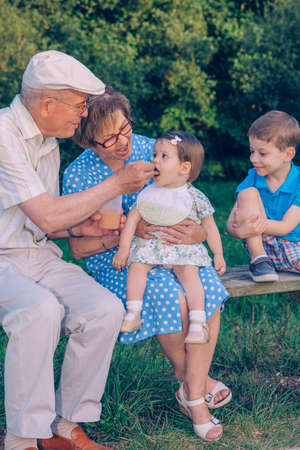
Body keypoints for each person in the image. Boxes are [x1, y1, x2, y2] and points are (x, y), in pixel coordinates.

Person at [0, 50, 154, 450]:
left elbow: (44, 222)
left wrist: (77, 227)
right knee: (39, 310)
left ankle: (65, 426)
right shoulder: (3, 134)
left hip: (37, 254)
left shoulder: (48, 141)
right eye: (79, 105)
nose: (84, 115)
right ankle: (21, 438)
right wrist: (119, 184)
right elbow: (47, 216)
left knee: (104, 309)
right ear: (47, 104)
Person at [63, 88, 231, 442]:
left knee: (208, 291)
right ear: (87, 140)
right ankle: (195, 395)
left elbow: (188, 194)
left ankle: (191, 388)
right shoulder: (79, 175)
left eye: (124, 128)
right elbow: (78, 249)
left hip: (174, 251)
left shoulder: (151, 149)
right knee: (172, 298)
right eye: (108, 138)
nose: (122, 141)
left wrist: (198, 231)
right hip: (118, 259)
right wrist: (122, 234)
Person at [113, 131, 226, 346]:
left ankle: (197, 322)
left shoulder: (194, 196)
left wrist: (218, 254)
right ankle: (133, 312)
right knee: (137, 266)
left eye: (164, 156)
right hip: (151, 247)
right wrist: (124, 248)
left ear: (184, 168)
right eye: (155, 154)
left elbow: (210, 227)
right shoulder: (148, 193)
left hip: (181, 249)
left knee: (189, 275)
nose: (155, 160)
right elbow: (132, 220)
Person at [227, 110, 300, 282]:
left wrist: (253, 225)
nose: (253, 158)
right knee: (248, 193)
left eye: (262, 153)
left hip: (294, 248)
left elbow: (286, 227)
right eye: (252, 151)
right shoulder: (252, 178)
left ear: (288, 154)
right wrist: (239, 230)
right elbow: (231, 223)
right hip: (262, 247)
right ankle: (259, 261)